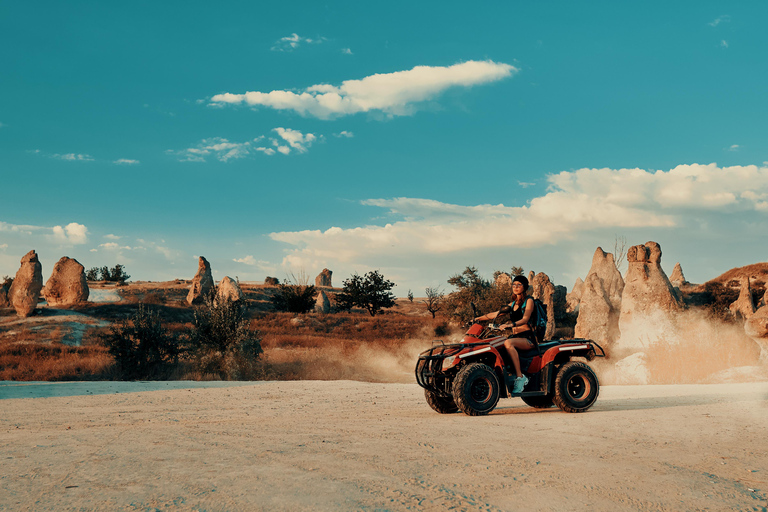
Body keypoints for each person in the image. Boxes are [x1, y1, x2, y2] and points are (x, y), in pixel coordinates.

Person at [474, 275, 535, 393]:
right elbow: (495, 314)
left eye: (519, 285)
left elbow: (525, 319)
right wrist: (478, 319)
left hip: (528, 338)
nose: (515, 287)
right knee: (497, 344)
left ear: (525, 287)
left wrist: (510, 325)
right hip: (516, 337)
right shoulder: (512, 304)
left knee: (508, 342)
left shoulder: (529, 301)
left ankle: (520, 377)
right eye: (514, 284)